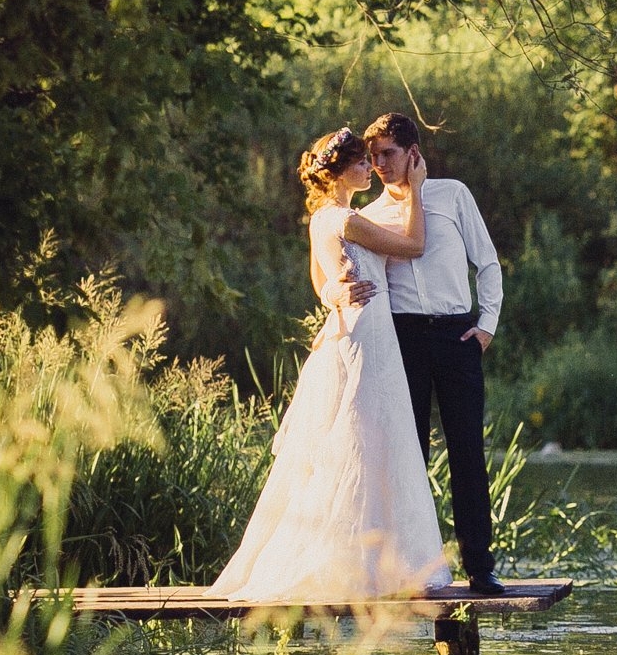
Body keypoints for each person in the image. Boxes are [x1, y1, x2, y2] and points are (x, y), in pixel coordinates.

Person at [209, 127, 448, 601]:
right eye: (361, 163)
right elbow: (416, 244)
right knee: (367, 436)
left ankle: (371, 564)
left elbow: (319, 280)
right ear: (339, 172)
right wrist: (417, 189)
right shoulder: (345, 220)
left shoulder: (323, 219)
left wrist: (334, 294)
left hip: (360, 328)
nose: (369, 169)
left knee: (369, 435)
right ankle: (364, 567)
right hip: (367, 335)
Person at [359, 112, 510, 596]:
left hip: (457, 336)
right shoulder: (371, 216)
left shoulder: (453, 195)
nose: (380, 163)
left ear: (413, 152)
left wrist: (485, 327)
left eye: (388, 153)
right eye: (374, 156)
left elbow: (487, 263)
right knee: (411, 454)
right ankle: (414, 569)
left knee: (467, 450)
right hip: (403, 341)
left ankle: (479, 565)